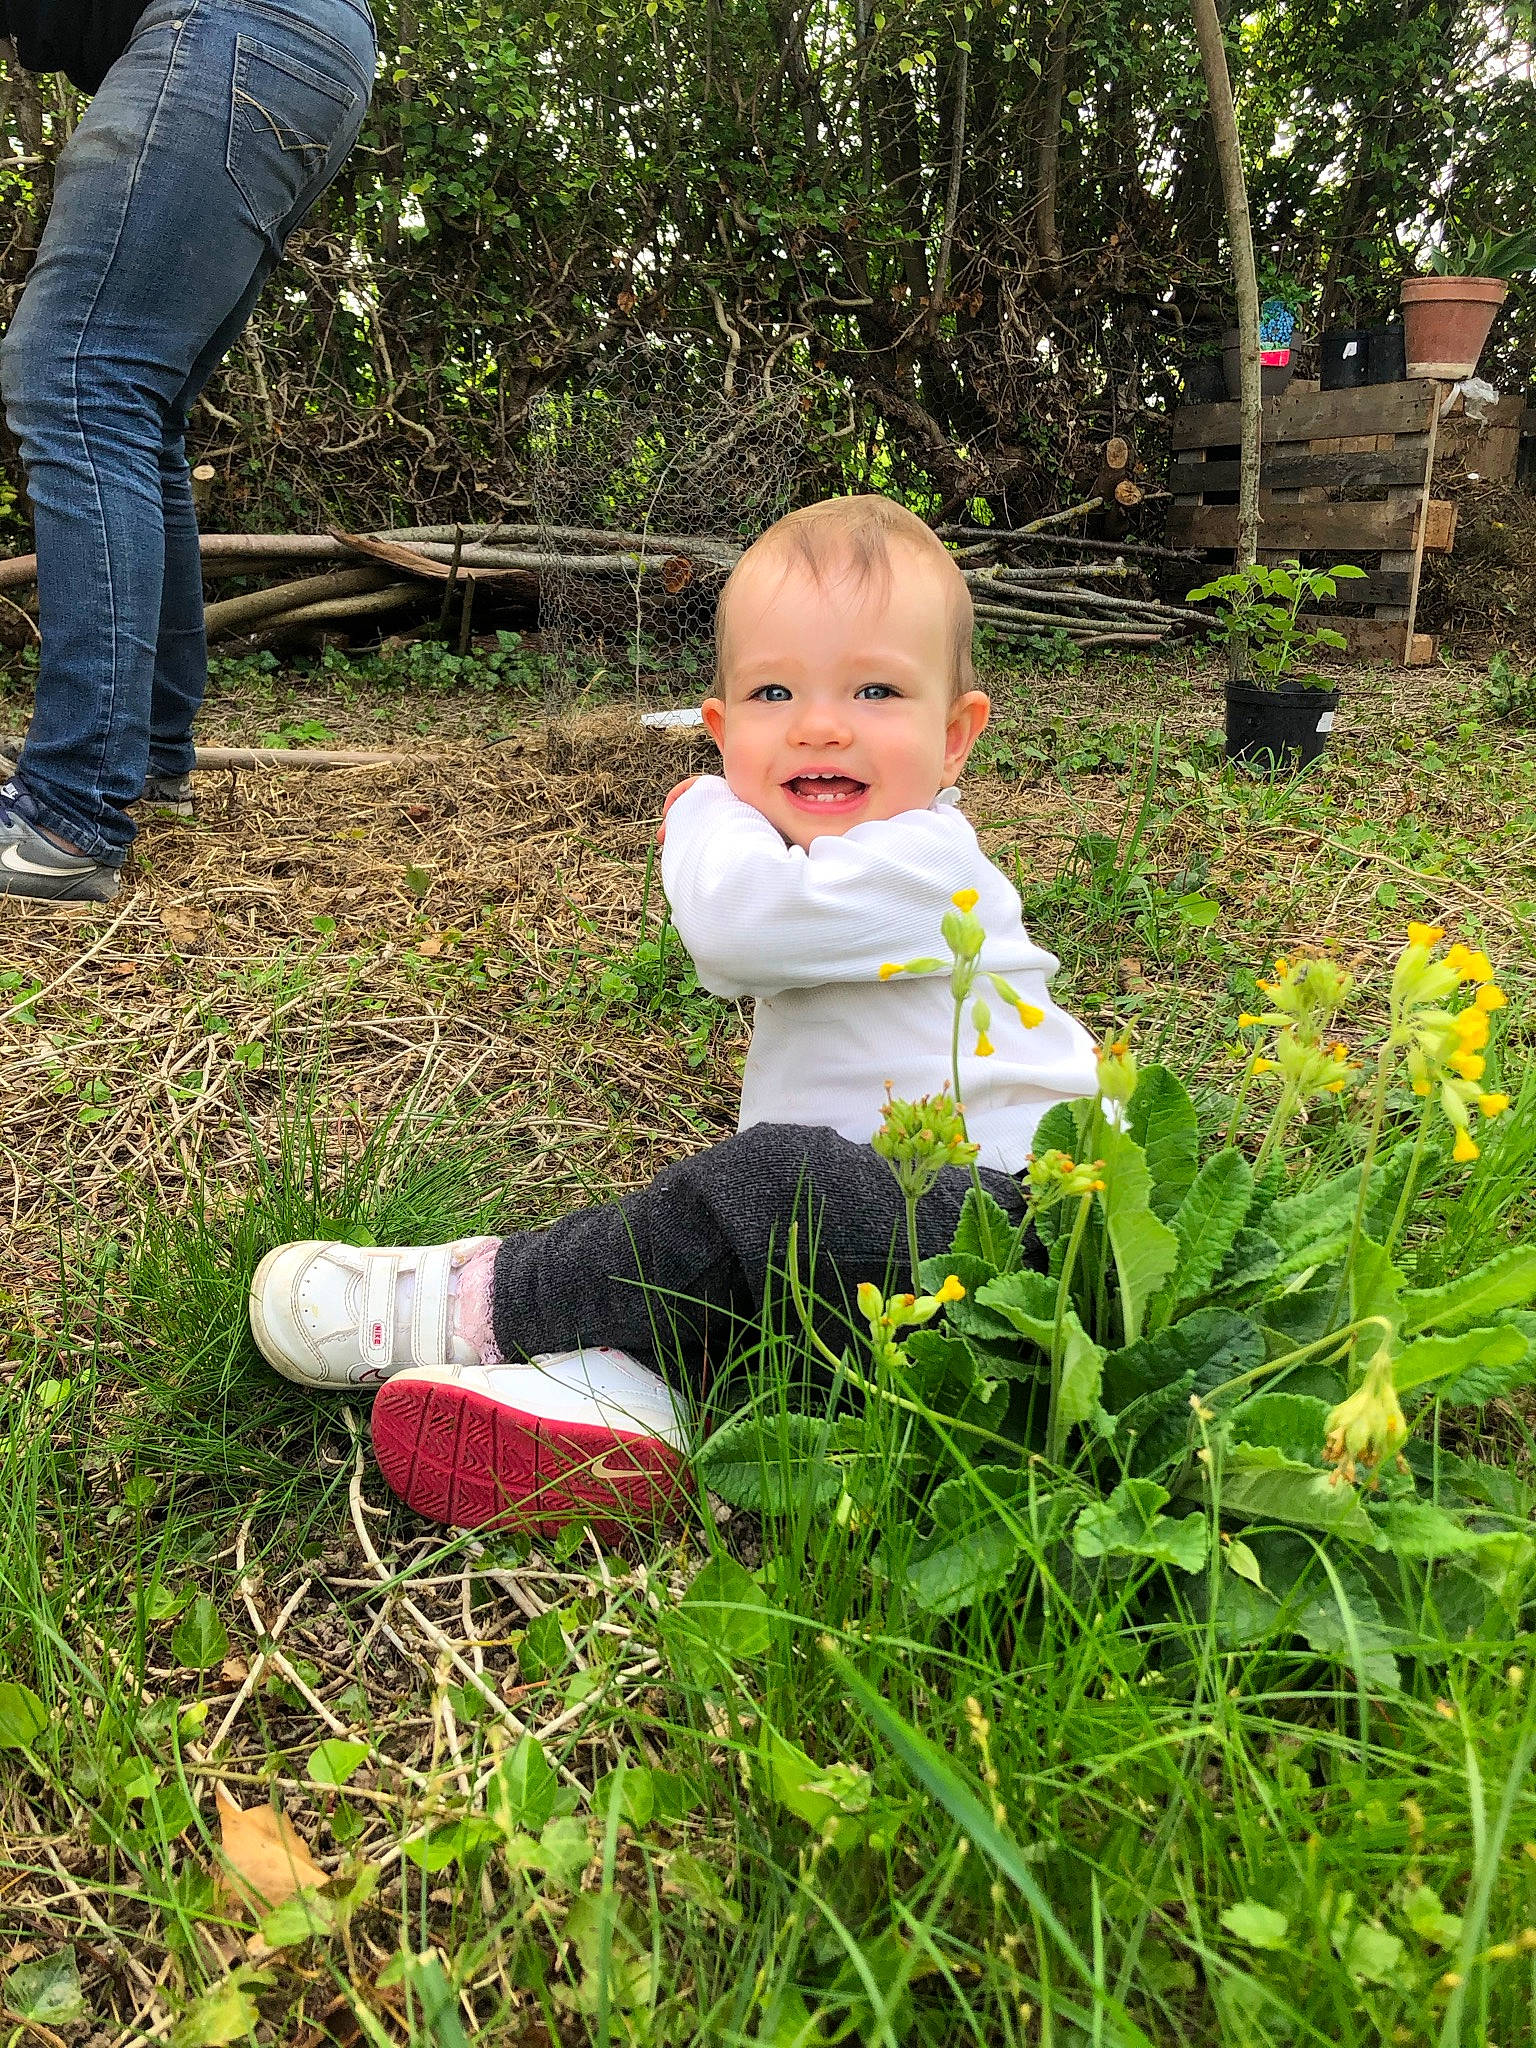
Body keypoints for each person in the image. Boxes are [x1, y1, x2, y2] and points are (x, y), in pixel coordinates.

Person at [248, 495, 1100, 1530]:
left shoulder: (925, 863)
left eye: (876, 688)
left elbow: (735, 928)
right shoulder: (852, 866)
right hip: (897, 1268)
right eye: (774, 690)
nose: (821, 722)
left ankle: (483, 1301)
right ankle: (628, 1406)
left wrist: (701, 809)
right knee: (753, 1248)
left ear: (956, 736)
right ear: (725, 724)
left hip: (1025, 1239)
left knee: (770, 1186)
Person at [0, 0, 376, 901]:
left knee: (77, 378)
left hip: (229, 29)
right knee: (137, 403)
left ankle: (69, 810)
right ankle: (149, 759)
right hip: (300, 45)